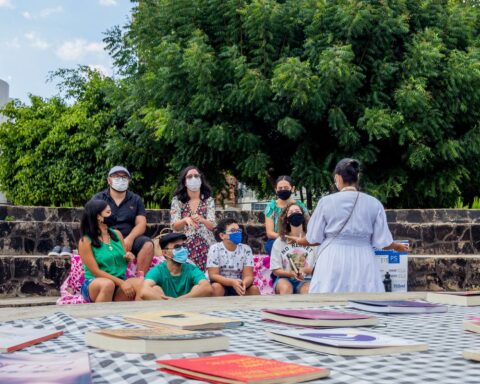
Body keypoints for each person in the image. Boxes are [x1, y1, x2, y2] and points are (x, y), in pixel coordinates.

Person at [288, 158, 409, 293]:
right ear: (358, 177)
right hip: (363, 257)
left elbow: (313, 238)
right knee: (365, 301)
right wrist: (397, 246)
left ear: (338, 178)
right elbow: (383, 241)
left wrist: (298, 240)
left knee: (329, 300)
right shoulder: (374, 203)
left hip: (333, 258)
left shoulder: (326, 202)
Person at [78, 199, 144, 303]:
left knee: (142, 285)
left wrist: (129, 257)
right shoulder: (85, 241)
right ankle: (100, 317)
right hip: (96, 282)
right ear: (98, 217)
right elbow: (95, 271)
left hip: (120, 280)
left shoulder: (117, 234)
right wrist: (122, 283)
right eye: (108, 212)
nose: (112, 215)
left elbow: (123, 258)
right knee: (108, 284)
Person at [92, 166, 153, 276]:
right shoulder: (99, 198)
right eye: (116, 176)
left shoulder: (136, 199)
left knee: (148, 244)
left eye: (124, 177)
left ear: (129, 181)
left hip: (129, 239)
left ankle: (140, 279)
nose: (121, 179)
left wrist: (130, 238)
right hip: (105, 237)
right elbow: (90, 220)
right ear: (109, 180)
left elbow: (141, 223)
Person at [170, 166, 216, 271]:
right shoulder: (178, 200)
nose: (193, 178)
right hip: (184, 243)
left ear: (201, 179)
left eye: (196, 176)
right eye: (189, 176)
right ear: (185, 182)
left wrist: (202, 219)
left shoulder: (208, 200)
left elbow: (212, 226)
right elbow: (174, 226)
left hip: (206, 243)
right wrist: (186, 220)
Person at [141, 232, 213, 299]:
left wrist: (180, 300)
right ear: (165, 253)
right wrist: (169, 303)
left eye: (184, 246)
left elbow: (207, 288)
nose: (182, 250)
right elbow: (144, 291)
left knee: (198, 287)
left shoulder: (191, 269)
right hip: (165, 308)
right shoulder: (158, 270)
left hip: (187, 306)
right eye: (177, 247)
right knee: (155, 289)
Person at [270, 203, 318, 294]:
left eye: (297, 211)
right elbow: (275, 270)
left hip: (307, 279)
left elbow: (318, 268)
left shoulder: (312, 240)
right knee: (286, 288)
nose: (295, 214)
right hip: (284, 279)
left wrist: (304, 270)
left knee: (307, 291)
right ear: (287, 220)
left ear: (303, 216)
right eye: (291, 212)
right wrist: (291, 273)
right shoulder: (279, 241)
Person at [207, 218, 260, 296]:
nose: (237, 233)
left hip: (239, 284)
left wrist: (243, 284)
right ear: (222, 235)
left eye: (238, 230)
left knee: (254, 290)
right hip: (221, 284)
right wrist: (231, 282)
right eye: (233, 230)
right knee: (216, 288)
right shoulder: (215, 249)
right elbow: (213, 275)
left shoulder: (246, 249)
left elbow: (249, 275)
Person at [264, 175, 309, 255]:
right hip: (278, 239)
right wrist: (287, 238)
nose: (283, 190)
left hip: (299, 237)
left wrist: (298, 238)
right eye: (280, 188)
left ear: (292, 188)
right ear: (276, 190)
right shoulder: (271, 207)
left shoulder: (300, 206)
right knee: (271, 246)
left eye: (286, 187)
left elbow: (308, 226)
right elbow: (270, 233)